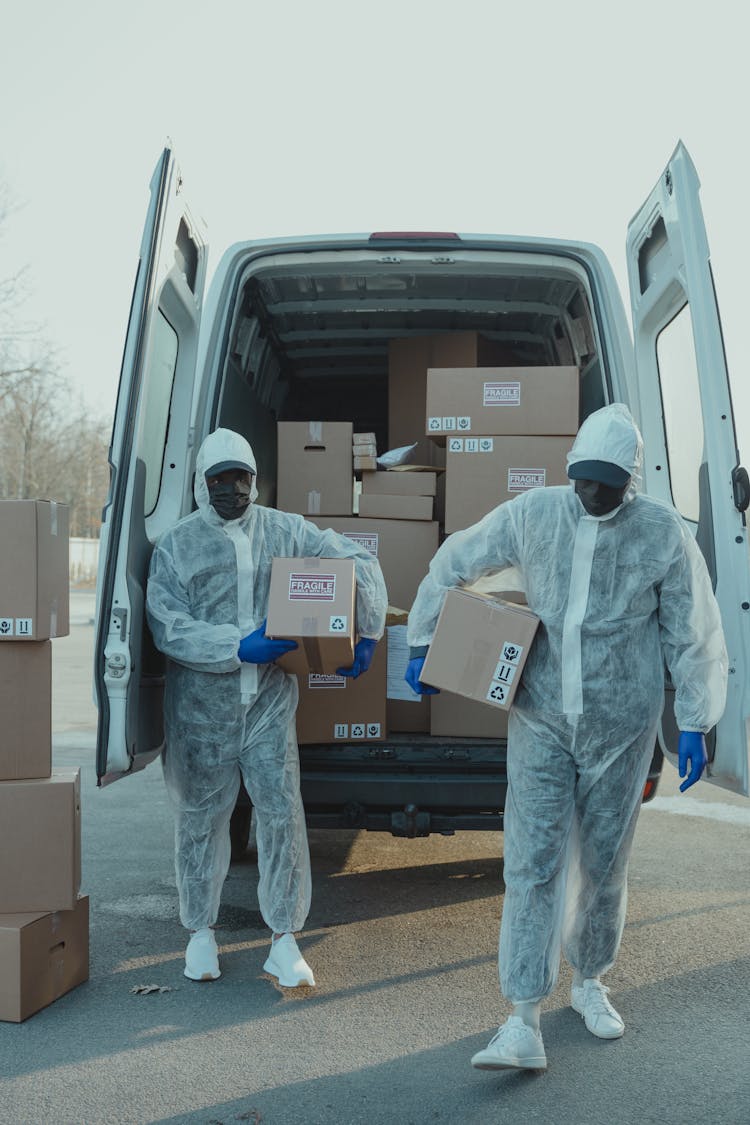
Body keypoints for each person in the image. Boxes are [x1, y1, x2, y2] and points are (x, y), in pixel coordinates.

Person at [405, 403, 727, 1071]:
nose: (591, 493)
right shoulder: (535, 512)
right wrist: (422, 634)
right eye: (582, 478)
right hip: (542, 714)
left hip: (621, 722)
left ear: (630, 481)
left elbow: (691, 629)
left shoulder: (660, 533)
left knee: (605, 859)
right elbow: (458, 557)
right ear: (570, 469)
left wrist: (695, 718)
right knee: (531, 858)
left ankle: (589, 982)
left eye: (606, 482)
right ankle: (522, 1017)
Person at [147, 428, 387, 987]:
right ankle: (200, 933)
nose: (232, 490)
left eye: (241, 478)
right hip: (202, 709)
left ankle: (284, 938)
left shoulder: (285, 529)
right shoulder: (177, 546)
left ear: (255, 480)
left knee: (280, 813)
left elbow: (354, 556)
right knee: (201, 818)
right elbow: (169, 627)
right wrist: (236, 645)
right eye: (219, 481)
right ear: (202, 485)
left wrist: (368, 626)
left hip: (270, 704)